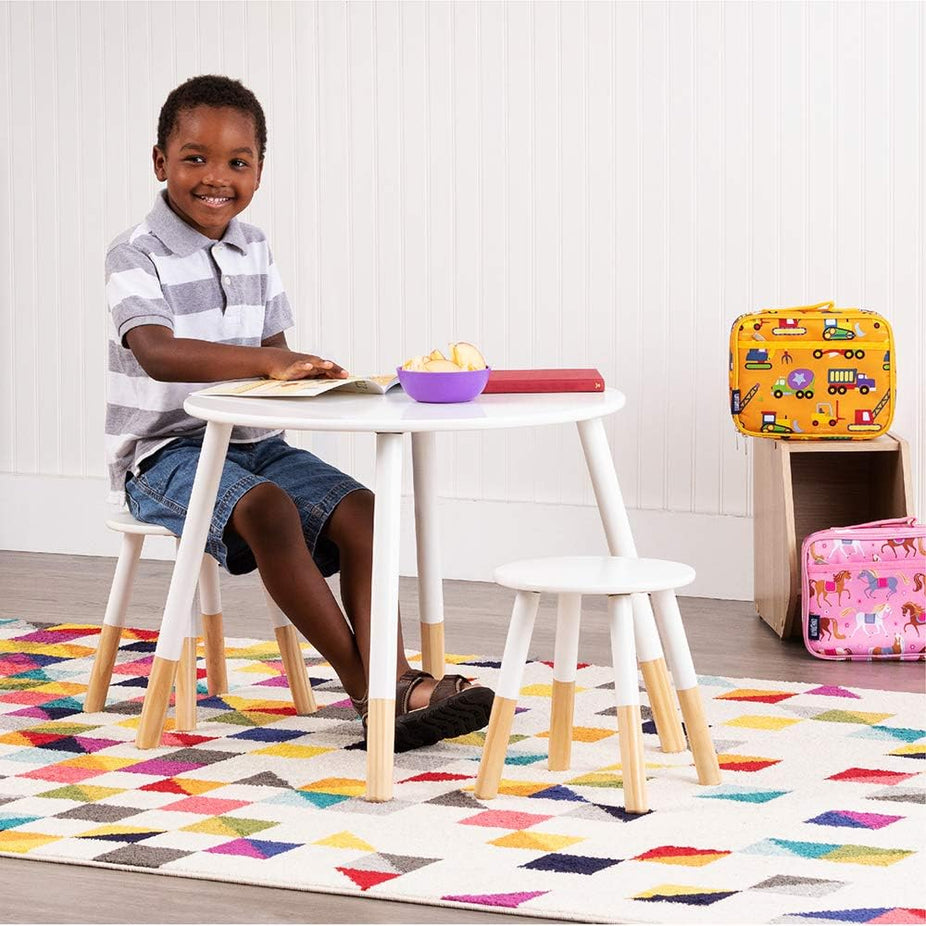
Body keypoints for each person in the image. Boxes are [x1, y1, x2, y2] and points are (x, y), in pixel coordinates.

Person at [104, 74, 493, 750]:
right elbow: (157, 351)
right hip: (165, 455)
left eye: (237, 162)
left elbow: (275, 353)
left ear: (258, 169)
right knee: (270, 511)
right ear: (160, 161)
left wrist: (316, 376)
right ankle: (375, 693)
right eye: (194, 158)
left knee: (367, 511)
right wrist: (268, 364)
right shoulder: (135, 252)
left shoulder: (254, 246)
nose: (215, 177)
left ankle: (395, 683)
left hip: (257, 443)